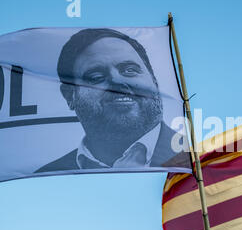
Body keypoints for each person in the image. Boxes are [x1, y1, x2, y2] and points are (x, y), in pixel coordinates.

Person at [36, 28, 189, 173]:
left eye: (130, 70)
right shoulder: (44, 179)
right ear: (69, 95)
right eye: (96, 77)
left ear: (154, 81)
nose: (117, 81)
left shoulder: (199, 162)